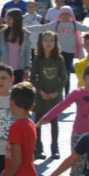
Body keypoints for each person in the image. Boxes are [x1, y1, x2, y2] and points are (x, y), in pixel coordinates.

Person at [29, 31, 67, 159]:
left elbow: (63, 77)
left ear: (56, 43)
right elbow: (33, 78)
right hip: (41, 96)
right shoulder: (38, 59)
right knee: (38, 120)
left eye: (51, 40)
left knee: (54, 121)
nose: (48, 43)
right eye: (46, 40)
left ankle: (54, 147)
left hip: (54, 96)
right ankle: (38, 146)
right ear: (41, 42)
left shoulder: (59, 59)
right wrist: (40, 91)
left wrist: (56, 91)